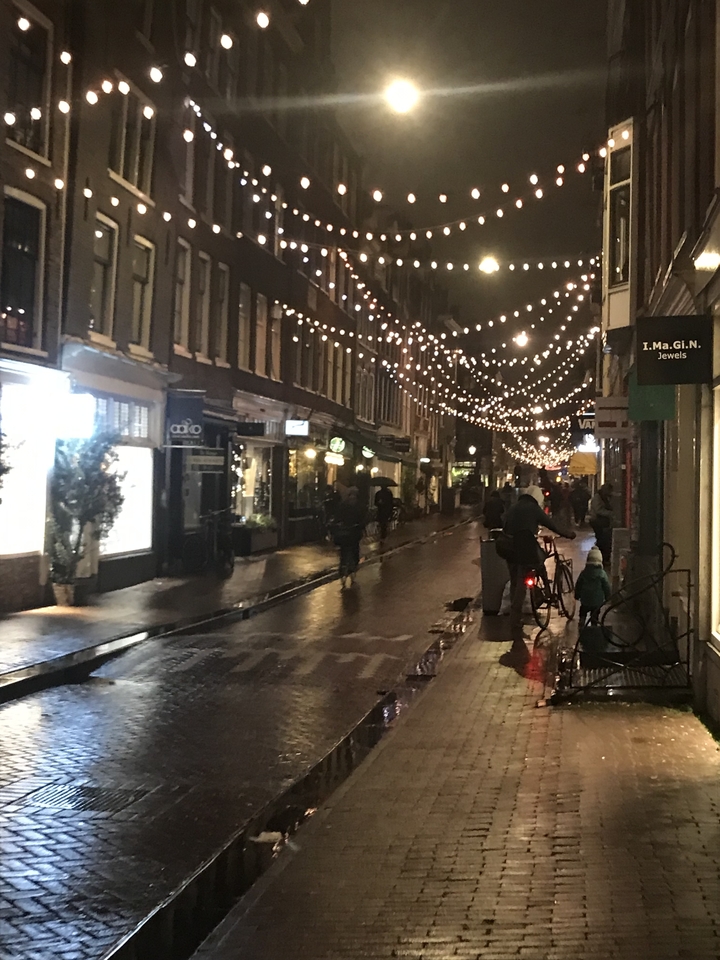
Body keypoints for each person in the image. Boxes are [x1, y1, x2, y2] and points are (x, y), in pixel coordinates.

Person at [503, 484, 576, 655]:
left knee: (515, 581)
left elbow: (504, 524)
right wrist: (568, 534)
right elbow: (551, 524)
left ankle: (515, 619)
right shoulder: (533, 509)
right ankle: (546, 593)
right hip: (525, 550)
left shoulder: (514, 507)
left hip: (509, 550)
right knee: (538, 563)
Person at [334, 487, 366, 587]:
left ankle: (351, 567)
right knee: (345, 551)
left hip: (354, 532)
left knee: (354, 549)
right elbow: (338, 516)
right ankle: (344, 568)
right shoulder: (344, 506)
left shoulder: (358, 507)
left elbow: (363, 518)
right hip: (347, 532)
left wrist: (360, 525)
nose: (352, 497)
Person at [574, 546, 611, 628]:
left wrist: (577, 595)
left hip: (585, 599)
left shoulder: (584, 573)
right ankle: (594, 624)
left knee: (583, 610)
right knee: (595, 613)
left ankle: (582, 620)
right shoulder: (602, 573)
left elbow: (578, 584)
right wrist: (608, 597)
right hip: (597, 600)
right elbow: (606, 586)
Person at [589, 483, 614, 565]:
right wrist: (610, 513)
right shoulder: (598, 498)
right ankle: (600, 557)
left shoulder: (603, 497)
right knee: (602, 540)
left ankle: (601, 557)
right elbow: (598, 510)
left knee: (602, 540)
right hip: (597, 522)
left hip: (601, 522)